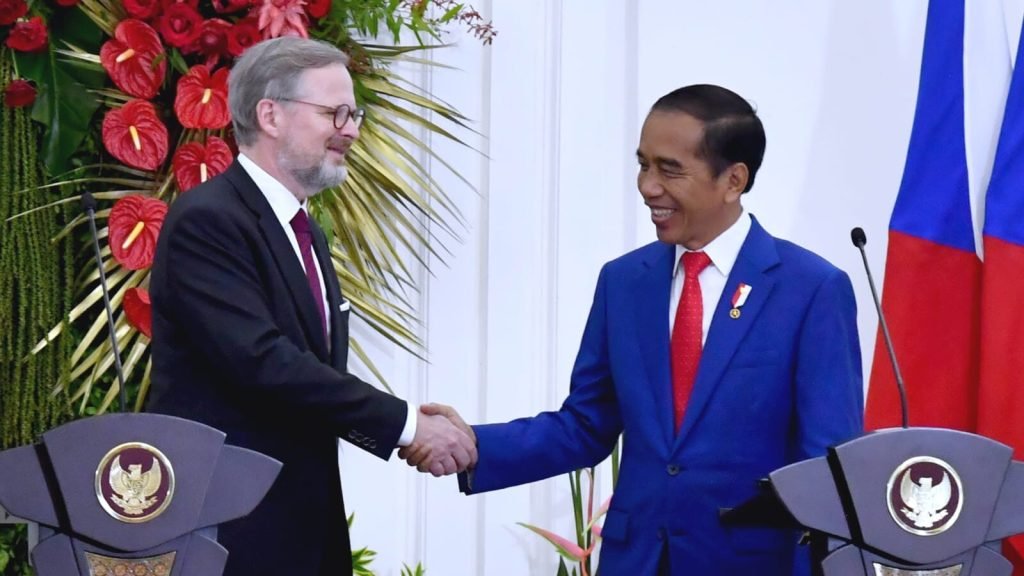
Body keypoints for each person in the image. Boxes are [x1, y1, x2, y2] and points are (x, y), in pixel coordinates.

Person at [403, 84, 863, 575]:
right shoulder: (624, 282)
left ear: (733, 180)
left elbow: (827, 469)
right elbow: (586, 425)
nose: (648, 186)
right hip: (636, 560)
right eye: (643, 165)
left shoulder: (811, 289)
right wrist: (474, 446)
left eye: (670, 169)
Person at [147, 36, 477, 576]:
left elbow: (310, 374)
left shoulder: (305, 231)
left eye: (354, 114)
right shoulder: (208, 220)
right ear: (270, 115)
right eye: (334, 113)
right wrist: (407, 427)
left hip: (303, 528)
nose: (351, 129)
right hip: (229, 534)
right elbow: (264, 362)